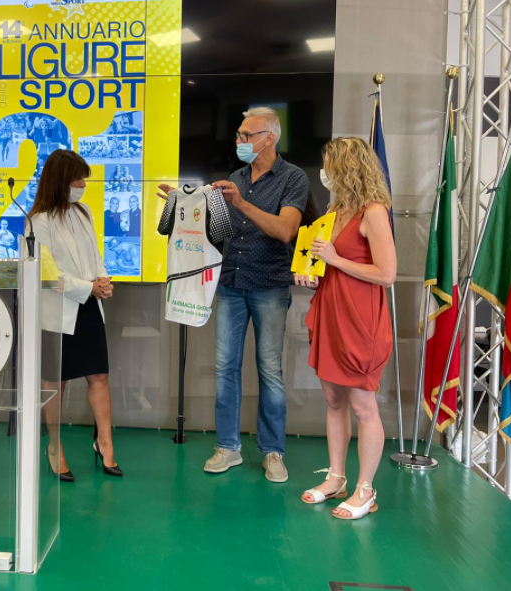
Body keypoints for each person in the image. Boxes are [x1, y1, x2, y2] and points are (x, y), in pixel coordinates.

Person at [158, 106, 308, 483]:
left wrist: (241, 203)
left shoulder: (293, 178)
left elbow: (286, 230)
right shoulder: (234, 178)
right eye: (238, 135)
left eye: (245, 135)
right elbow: (211, 228)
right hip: (229, 283)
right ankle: (228, 446)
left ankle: (273, 451)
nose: (238, 140)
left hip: (270, 284)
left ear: (268, 138)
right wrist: (182, 203)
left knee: (269, 369)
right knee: (225, 367)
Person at [295, 137, 395, 520]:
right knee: (334, 401)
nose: (324, 173)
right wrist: (313, 276)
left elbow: (386, 274)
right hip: (330, 314)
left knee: (362, 405)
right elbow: (329, 265)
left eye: (329, 165)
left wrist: (335, 259)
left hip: (360, 320)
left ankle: (365, 490)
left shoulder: (374, 211)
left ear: (347, 167)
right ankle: (336, 477)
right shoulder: (335, 211)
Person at [28, 149, 122, 481]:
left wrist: (103, 282)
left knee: (99, 376)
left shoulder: (84, 212)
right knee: (57, 382)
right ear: (60, 180)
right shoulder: (38, 221)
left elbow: (95, 255)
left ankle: (105, 444)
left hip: (89, 306)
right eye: (78, 179)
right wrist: (88, 287)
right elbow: (47, 275)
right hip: (57, 312)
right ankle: (54, 447)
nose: (83, 185)